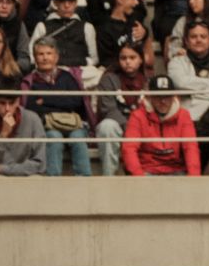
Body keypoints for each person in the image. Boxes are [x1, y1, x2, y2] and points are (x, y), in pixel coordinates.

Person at [23, 38, 93, 175]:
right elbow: (32, 108)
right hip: (48, 126)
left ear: (56, 57)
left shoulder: (68, 77)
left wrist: (45, 100)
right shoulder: (31, 81)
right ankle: (53, 181)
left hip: (73, 124)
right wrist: (62, 101)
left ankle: (85, 180)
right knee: (54, 137)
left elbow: (76, 102)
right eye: (40, 54)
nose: (45, 58)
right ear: (35, 58)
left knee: (78, 138)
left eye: (49, 53)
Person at [92, 39, 148, 171]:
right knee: (107, 126)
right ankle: (109, 175)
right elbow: (109, 110)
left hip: (141, 127)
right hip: (118, 125)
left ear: (141, 60)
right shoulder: (109, 78)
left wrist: (137, 127)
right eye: (123, 58)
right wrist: (129, 127)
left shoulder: (148, 81)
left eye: (132, 57)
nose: (127, 61)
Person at [0, 92, 45, 175]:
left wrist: (4, 169)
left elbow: (40, 165)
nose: (7, 109)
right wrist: (3, 135)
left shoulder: (33, 119)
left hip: (25, 176)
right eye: (2, 103)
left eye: (11, 103)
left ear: (18, 102)